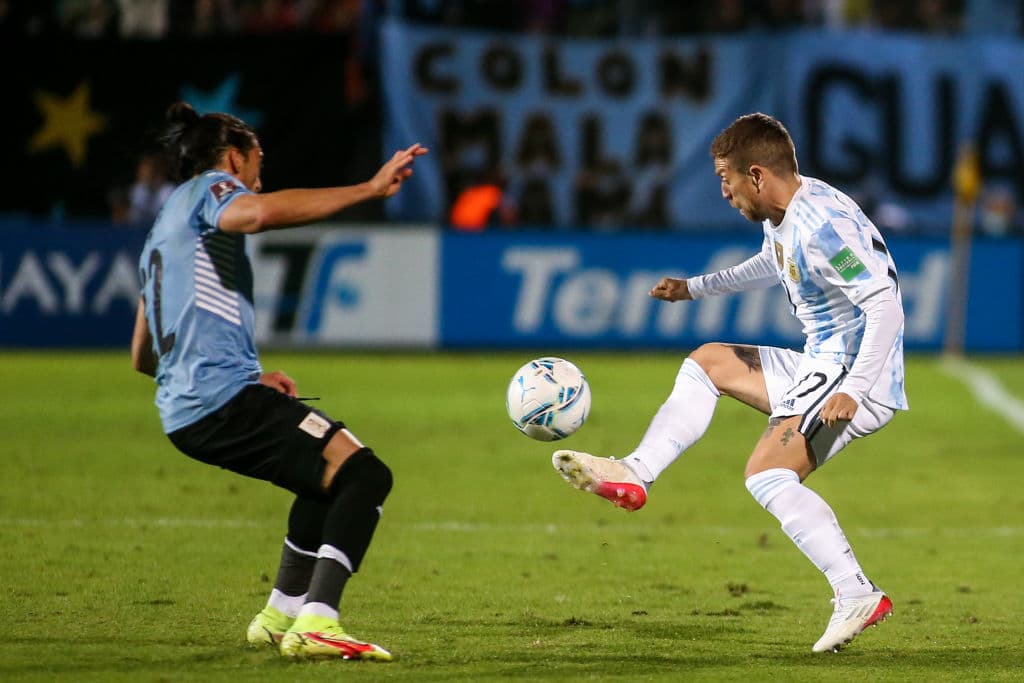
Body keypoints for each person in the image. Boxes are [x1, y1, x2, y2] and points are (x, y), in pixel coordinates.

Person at [552, 112, 907, 654]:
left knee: (766, 476)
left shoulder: (823, 228)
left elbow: (885, 303)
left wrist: (854, 389)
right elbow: (773, 263)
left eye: (726, 178)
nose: (723, 191)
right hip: (825, 364)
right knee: (708, 362)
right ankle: (636, 471)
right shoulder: (788, 214)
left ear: (758, 175)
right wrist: (694, 289)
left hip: (854, 374)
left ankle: (856, 592)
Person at [130, 101, 427, 661]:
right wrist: (367, 189)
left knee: (322, 478)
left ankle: (279, 615)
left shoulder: (161, 229)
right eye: (257, 157)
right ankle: (319, 621)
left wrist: (243, 375)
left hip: (189, 411)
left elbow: (141, 354)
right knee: (365, 476)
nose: (260, 171)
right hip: (221, 403)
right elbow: (257, 215)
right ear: (233, 157)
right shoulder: (209, 191)